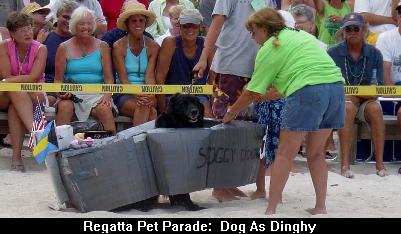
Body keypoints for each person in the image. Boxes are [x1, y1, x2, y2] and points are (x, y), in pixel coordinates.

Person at [223, 8, 344, 215]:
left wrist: (231, 113)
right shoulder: (301, 36)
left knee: (284, 154)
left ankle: (271, 210)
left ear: (263, 28)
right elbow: (285, 87)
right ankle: (320, 207)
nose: (251, 37)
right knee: (316, 154)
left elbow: (251, 92)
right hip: (336, 88)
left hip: (308, 90)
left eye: (252, 31)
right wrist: (263, 95)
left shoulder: (270, 47)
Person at [193, 0, 274, 203]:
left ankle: (228, 182)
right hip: (230, 64)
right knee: (225, 125)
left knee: (245, 129)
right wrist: (204, 57)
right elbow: (217, 22)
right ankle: (219, 186)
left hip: (257, 67)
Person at [328, 13, 386, 178]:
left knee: (375, 108)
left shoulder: (375, 54)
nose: (352, 32)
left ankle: (380, 165)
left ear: (364, 31)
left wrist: (358, 96)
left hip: (366, 100)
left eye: (356, 28)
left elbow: (379, 87)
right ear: (343, 32)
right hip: (341, 101)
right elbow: (330, 85)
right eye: (348, 29)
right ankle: (344, 165)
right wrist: (353, 96)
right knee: (347, 107)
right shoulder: (333, 53)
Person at [54, 6, 117, 132]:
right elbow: (57, 81)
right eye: (82, 24)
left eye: (89, 23)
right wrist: (61, 93)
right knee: (65, 107)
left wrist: (107, 94)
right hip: (71, 94)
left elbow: (109, 79)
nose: (86, 27)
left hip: (97, 94)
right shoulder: (63, 48)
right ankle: (59, 147)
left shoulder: (103, 46)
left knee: (105, 109)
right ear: (74, 25)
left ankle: (112, 145)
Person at [0, 12, 48, 172]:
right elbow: (6, 74)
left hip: (33, 92)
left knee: (16, 106)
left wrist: (7, 82)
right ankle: (37, 134)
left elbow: (34, 77)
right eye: (22, 30)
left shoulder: (41, 48)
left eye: (29, 28)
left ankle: (16, 158)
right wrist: (8, 82)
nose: (28, 32)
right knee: (16, 91)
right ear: (12, 33)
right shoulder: (4, 46)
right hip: (7, 94)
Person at [156, 9, 213, 116]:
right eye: (186, 26)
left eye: (194, 26)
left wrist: (214, 106)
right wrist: (162, 109)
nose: (190, 29)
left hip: (198, 95)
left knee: (207, 114)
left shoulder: (207, 44)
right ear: (180, 26)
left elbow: (213, 77)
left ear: (200, 26)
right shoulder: (170, 43)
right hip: (173, 95)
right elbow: (160, 77)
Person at [112, 2, 158, 126]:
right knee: (150, 112)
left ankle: (136, 142)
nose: (138, 24)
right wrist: (138, 95)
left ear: (145, 23)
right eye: (134, 21)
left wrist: (150, 94)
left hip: (147, 92)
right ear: (127, 23)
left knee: (147, 107)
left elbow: (150, 76)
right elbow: (123, 79)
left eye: (141, 21)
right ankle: (142, 143)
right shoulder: (118, 46)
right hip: (124, 93)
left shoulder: (153, 46)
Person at [43, 0, 78, 109]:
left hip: (76, 89)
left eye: (72, 18)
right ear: (57, 17)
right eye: (66, 17)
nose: (68, 21)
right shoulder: (46, 38)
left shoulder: (81, 40)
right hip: (49, 89)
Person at [376, 2, 401, 144]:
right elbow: (385, 77)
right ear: (397, 16)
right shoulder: (385, 37)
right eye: (400, 12)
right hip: (393, 89)